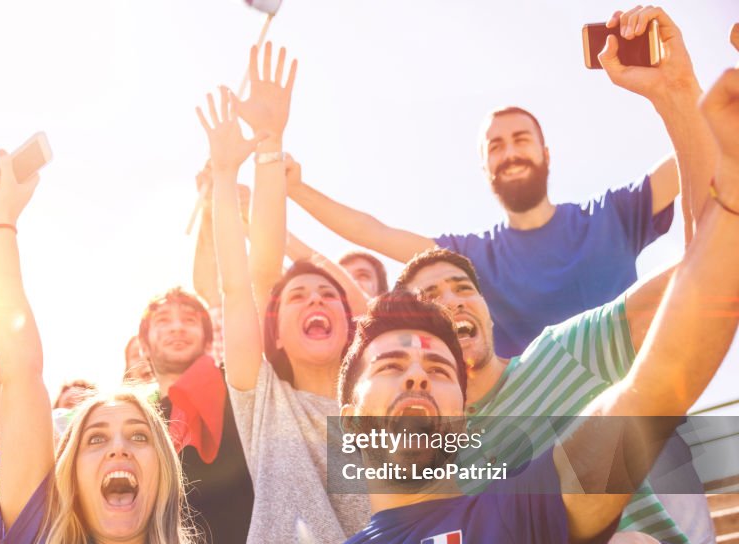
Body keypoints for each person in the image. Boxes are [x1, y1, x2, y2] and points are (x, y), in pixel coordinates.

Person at [273, 49, 739, 544]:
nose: (446, 308)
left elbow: (686, 315)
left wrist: (687, 107)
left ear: (491, 312)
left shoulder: (558, 362)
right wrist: (282, 189)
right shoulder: (413, 482)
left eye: (463, 292)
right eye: (424, 305)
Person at [283, 9, 715, 357]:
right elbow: (373, 232)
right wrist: (296, 188)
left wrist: (679, 85)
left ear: (546, 155)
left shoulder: (613, 215)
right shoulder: (471, 257)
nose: (509, 152)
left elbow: (699, 155)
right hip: (537, 451)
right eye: (496, 146)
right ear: (485, 167)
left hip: (646, 431)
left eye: (521, 139)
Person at [0, 148, 242, 544]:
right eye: (95, 439)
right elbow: (20, 370)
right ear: (69, 471)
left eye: (140, 438)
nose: (119, 446)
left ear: (166, 472)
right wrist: (1, 222)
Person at [198, 43, 370, 544]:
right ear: (275, 326)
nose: (316, 300)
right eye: (298, 298)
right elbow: (243, 279)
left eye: (327, 295)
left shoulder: (386, 400)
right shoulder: (263, 402)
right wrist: (239, 168)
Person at [138, 286, 287, 544]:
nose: (177, 328)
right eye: (163, 321)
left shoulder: (234, 390)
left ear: (208, 338)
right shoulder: (134, 420)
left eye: (189, 320)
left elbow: (242, 296)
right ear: (143, 343)